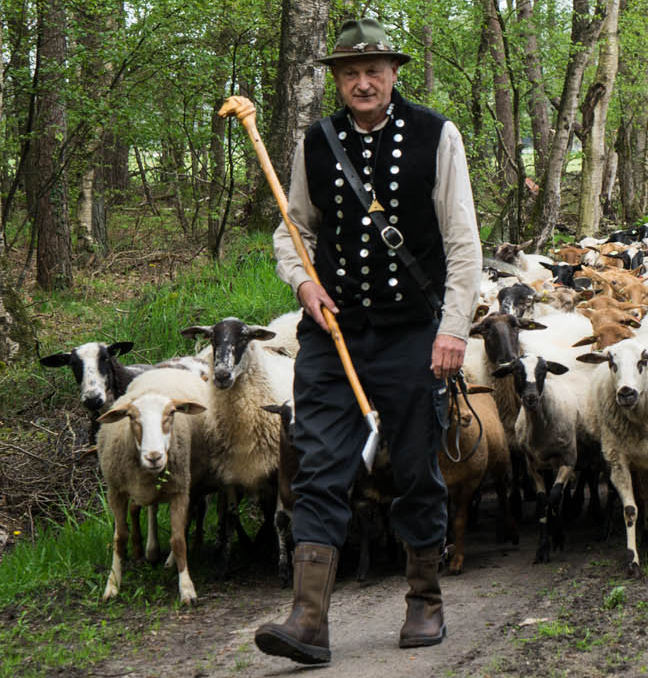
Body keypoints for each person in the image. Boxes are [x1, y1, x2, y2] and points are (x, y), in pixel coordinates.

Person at [256, 17, 483, 665]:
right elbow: (292, 231)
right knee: (319, 466)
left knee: (415, 467)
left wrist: (453, 328)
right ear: (337, 78)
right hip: (334, 334)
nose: (362, 82)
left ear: (393, 74)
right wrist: (304, 285)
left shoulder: (438, 136)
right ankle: (308, 617)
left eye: (373, 71)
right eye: (350, 73)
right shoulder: (317, 143)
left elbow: (463, 242)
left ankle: (424, 598)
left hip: (415, 333)